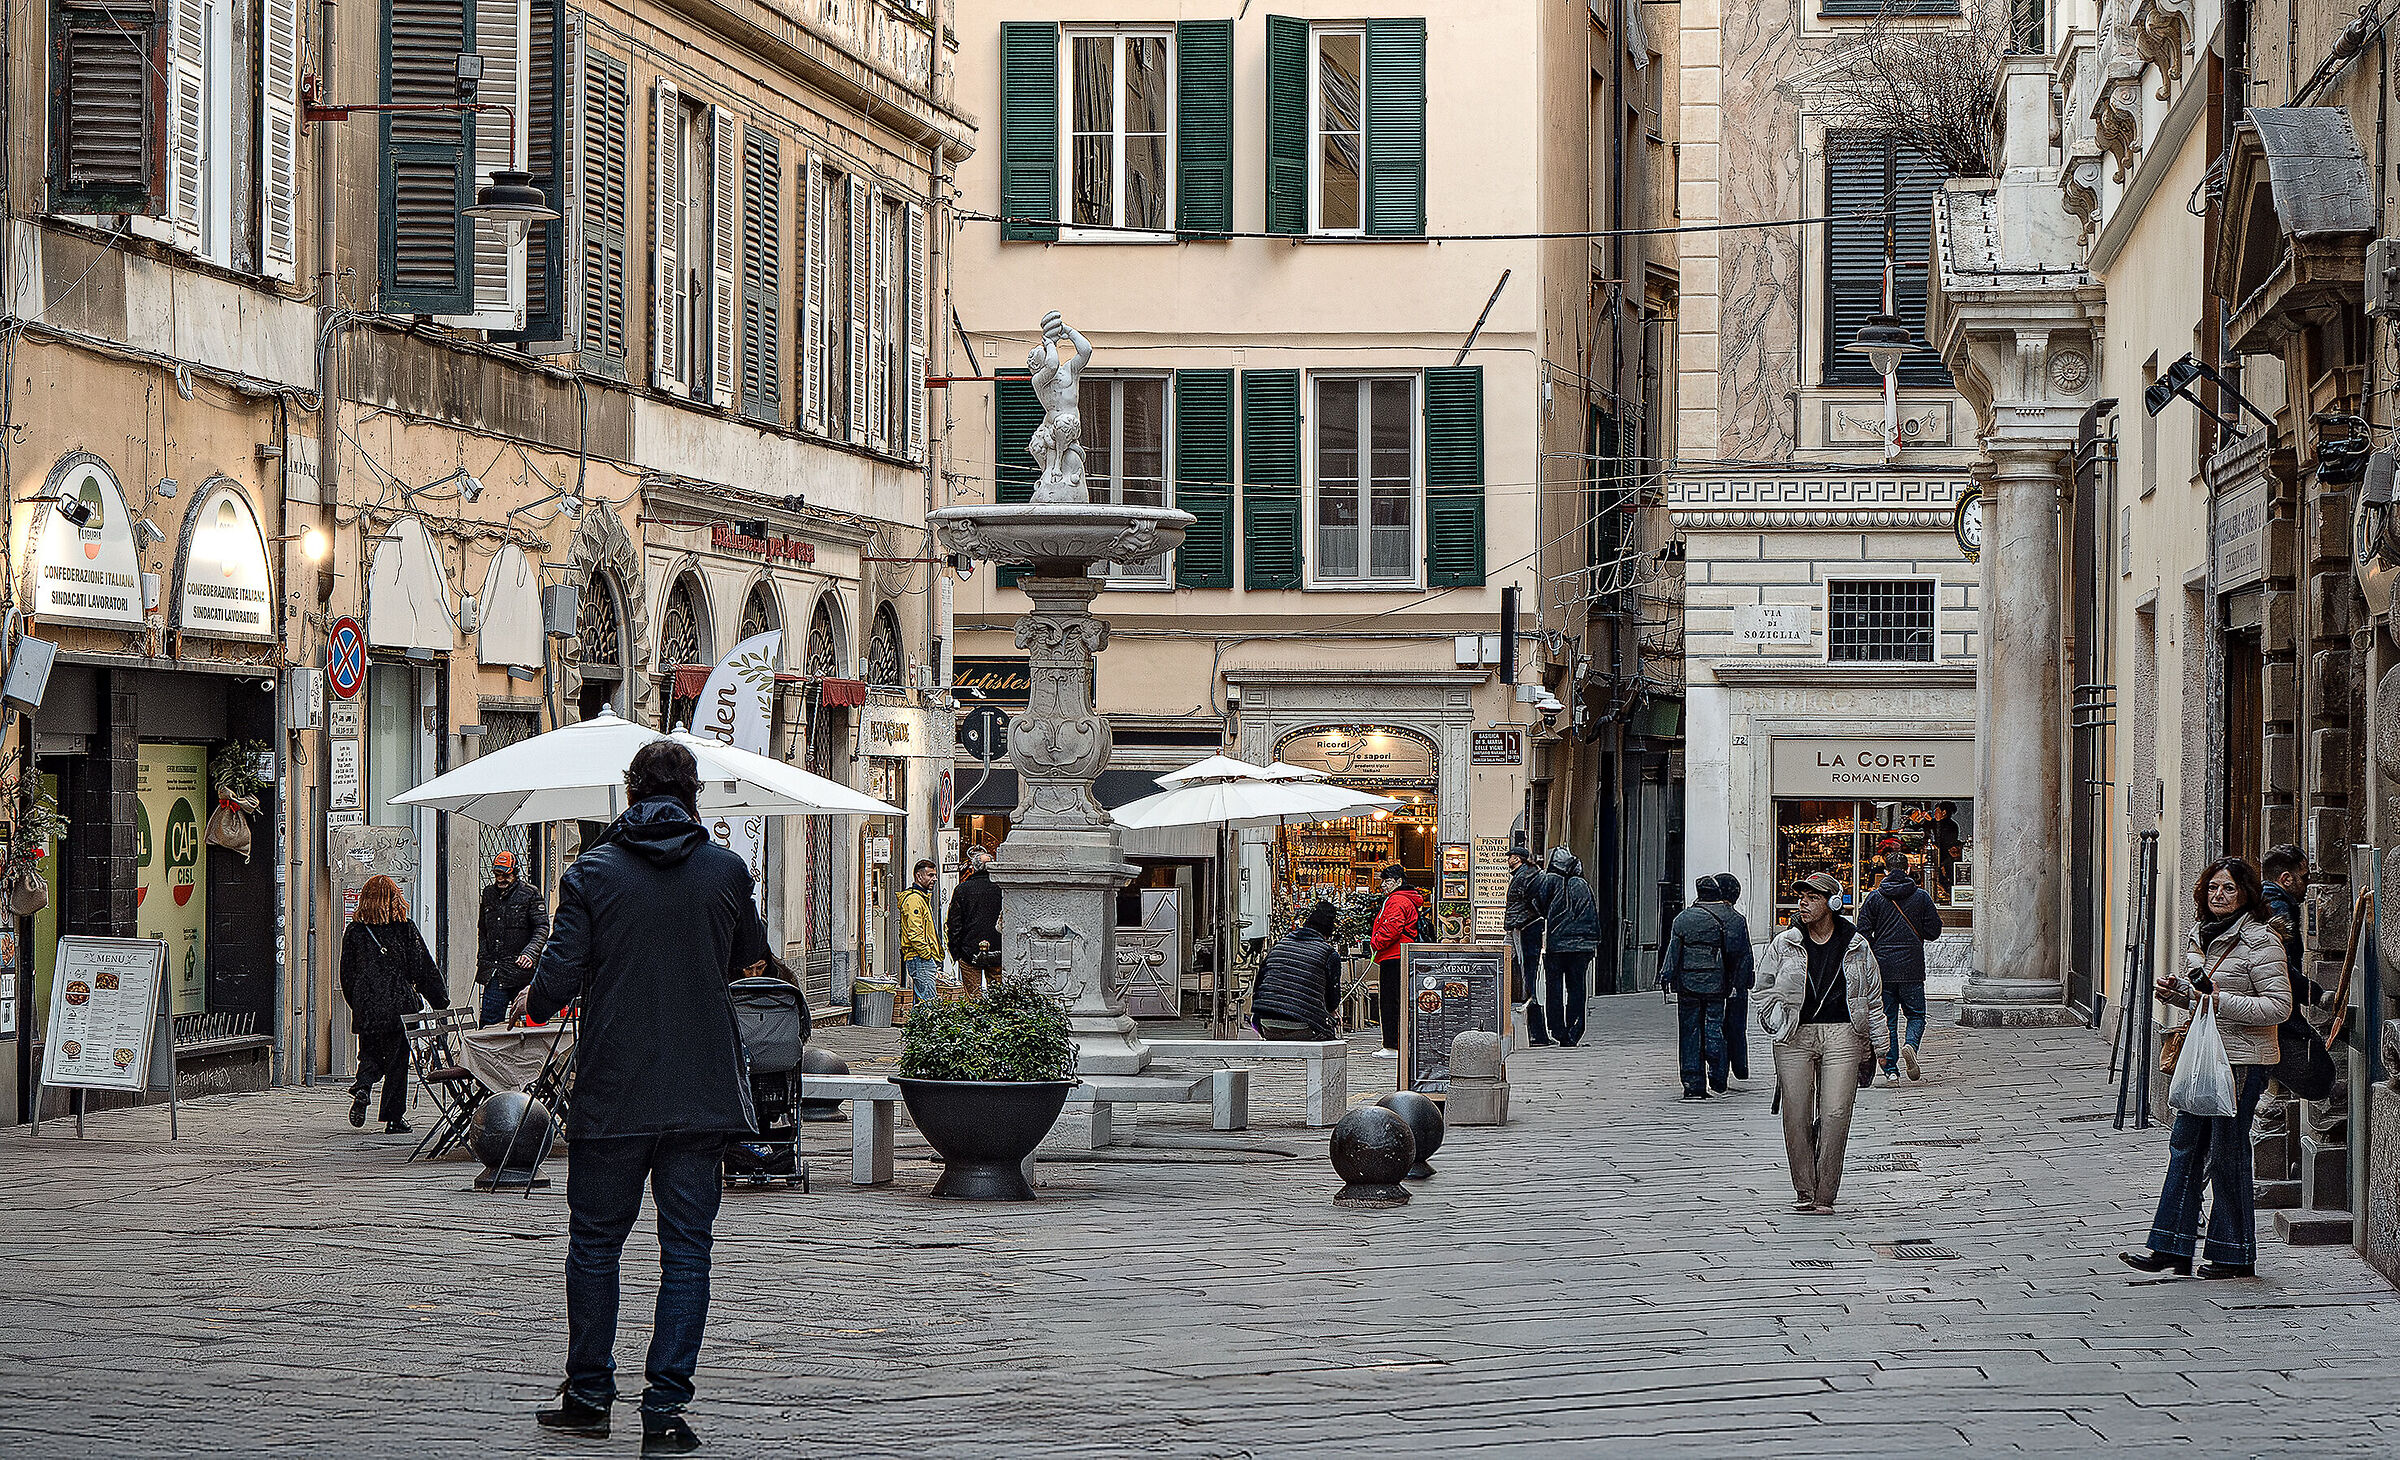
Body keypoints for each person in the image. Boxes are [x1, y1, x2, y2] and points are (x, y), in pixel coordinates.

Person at [518, 740, 770, 1455]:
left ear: (629, 793)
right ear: (694, 795)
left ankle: (590, 1394)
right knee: (687, 1251)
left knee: (595, 1246)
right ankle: (664, 1410)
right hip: (700, 1091)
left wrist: (535, 999)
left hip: (613, 1091)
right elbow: (745, 953)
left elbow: (559, 981)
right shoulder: (725, 869)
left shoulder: (591, 872)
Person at [2121, 857, 2292, 1280]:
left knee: (2227, 1154)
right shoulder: (2201, 937)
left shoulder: (2261, 942)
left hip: (2241, 1061)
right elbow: (2204, 998)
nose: (2219, 895)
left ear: (2246, 894)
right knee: (2184, 1146)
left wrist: (2220, 1002)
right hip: (2203, 1058)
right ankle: (2171, 1247)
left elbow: (2279, 1007)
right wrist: (2178, 992)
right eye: (2214, 888)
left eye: (2229, 889)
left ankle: (2234, 1254)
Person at [1759, 871, 1886, 1214]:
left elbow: (1872, 997)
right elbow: (1763, 987)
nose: (1803, 902)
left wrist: (1882, 1046)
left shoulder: (1857, 945)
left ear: (1832, 903)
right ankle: (1804, 1189)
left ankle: (1825, 1194)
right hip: (1794, 1036)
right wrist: (1775, 1019)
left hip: (1843, 1034)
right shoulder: (1785, 943)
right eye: (1801, 896)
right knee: (1796, 1114)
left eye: (1812, 897)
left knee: (1835, 1113)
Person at [340, 874, 448, 1133]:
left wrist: (357, 1002)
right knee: (397, 1062)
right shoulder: (404, 928)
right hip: (399, 1006)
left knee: (368, 1053)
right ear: (394, 899)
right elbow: (422, 968)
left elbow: (346, 974)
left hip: (367, 1007)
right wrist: (440, 999)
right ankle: (393, 1118)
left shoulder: (355, 931)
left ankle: (363, 1087)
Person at [1660, 875, 1748, 1097]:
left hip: (1687, 983)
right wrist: (1738, 982)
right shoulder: (1731, 918)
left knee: (1689, 1029)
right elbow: (1736, 955)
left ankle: (1692, 1083)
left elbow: (1673, 952)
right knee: (1714, 1023)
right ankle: (1715, 1060)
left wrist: (1666, 976)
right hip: (1716, 983)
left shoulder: (1683, 918)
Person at [1858, 853, 1943, 1081]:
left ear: (1885, 871)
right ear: (1908, 869)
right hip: (1912, 967)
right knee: (1916, 1015)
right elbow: (1934, 931)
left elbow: (1862, 933)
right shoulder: (1921, 897)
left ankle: (1891, 1070)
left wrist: (1878, 947)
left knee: (1888, 1019)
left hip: (1883, 968)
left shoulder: (1874, 898)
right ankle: (1911, 1047)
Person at [476, 850, 550, 1027]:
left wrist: (530, 954)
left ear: (514, 872)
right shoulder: (488, 894)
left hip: (521, 970)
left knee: (529, 1019)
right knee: (489, 1022)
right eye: (497, 874)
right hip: (496, 969)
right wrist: (484, 955)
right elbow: (483, 929)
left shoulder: (530, 894)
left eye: (505, 875)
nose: (500, 879)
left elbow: (542, 927)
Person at [1251, 899, 1343, 1041]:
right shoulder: (1328, 953)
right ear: (1327, 934)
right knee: (1329, 1034)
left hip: (1265, 1024)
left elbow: (1258, 985)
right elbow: (1332, 1001)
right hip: (1303, 1026)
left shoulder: (1279, 946)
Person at [1537, 848, 1599, 1047]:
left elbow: (1540, 905)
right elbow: (1592, 914)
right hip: (1581, 946)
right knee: (1577, 987)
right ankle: (1574, 1029)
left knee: (1553, 987)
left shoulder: (1549, 881)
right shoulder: (1582, 884)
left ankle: (1557, 1029)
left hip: (1557, 945)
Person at [1368, 867, 1428, 1059]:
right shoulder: (1406, 900)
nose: (1383, 885)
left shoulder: (1397, 901)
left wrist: (1376, 942)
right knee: (1398, 999)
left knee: (1390, 1001)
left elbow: (1392, 927)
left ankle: (1392, 1044)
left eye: (1387, 881)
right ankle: (1398, 1042)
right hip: (1399, 953)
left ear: (1398, 881)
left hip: (1393, 955)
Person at [1503, 845, 1552, 1045]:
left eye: (1511, 856)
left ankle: (1537, 1032)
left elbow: (1531, 902)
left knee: (1528, 978)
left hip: (1524, 928)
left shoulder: (1525, 876)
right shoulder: (1525, 875)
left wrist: (1525, 920)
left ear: (1518, 858)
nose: (1509, 860)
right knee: (1526, 977)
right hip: (1522, 927)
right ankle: (1536, 1032)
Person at [1713, 873, 1757, 1083]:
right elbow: (1746, 953)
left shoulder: (1709, 916)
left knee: (1719, 1026)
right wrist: (1747, 979)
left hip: (1715, 981)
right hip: (1737, 982)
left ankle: (1721, 1069)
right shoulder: (1737, 919)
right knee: (1737, 1027)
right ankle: (1740, 1066)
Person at [946, 844, 1004, 999]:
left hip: (968, 949)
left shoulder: (963, 889)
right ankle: (996, 1021)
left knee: (973, 996)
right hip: (998, 948)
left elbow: (954, 923)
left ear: (973, 867)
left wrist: (955, 950)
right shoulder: (1001, 888)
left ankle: (975, 1022)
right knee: (998, 997)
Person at [899, 859, 944, 1007]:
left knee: (921, 1002)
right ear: (918, 876)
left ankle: (916, 1029)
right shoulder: (914, 900)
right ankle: (929, 1029)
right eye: (930, 875)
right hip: (920, 958)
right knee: (929, 1003)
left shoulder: (921, 898)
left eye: (935, 875)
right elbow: (915, 932)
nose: (934, 879)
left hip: (921, 957)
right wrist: (926, 954)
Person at [1926, 801, 1963, 897]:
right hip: (1936, 858)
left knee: (1946, 879)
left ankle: (1950, 895)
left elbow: (1946, 843)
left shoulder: (1951, 825)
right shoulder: (1933, 823)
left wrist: (1942, 862)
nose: (1934, 813)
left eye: (1937, 811)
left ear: (1944, 812)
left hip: (1945, 859)